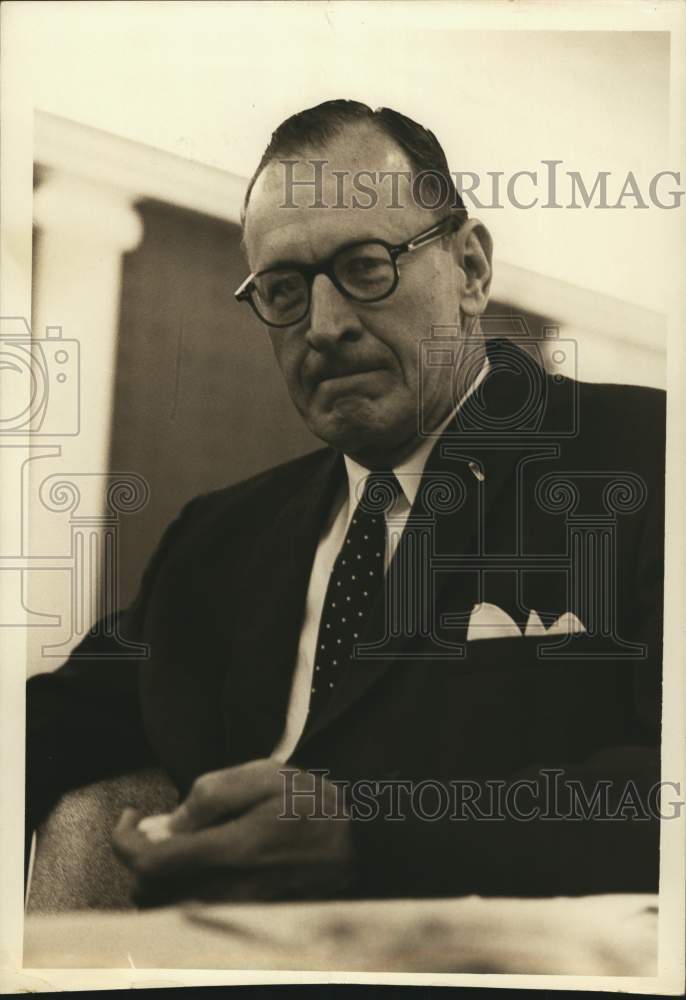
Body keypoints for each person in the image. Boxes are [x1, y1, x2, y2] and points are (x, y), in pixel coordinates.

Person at [27, 100, 665, 905]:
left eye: (366, 267)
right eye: (283, 290)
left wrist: (367, 838)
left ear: (470, 271)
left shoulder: (647, 458)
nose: (324, 326)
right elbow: (45, 729)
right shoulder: (218, 543)